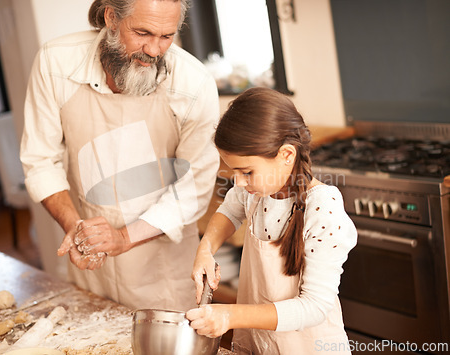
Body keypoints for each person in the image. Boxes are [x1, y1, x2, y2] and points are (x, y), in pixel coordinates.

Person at [20, 0, 220, 312]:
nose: (154, 50)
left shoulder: (194, 83)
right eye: (143, 33)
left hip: (163, 270)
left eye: (166, 36)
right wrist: (76, 228)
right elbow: (40, 159)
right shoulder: (56, 62)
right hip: (90, 260)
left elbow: (194, 186)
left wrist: (124, 238)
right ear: (111, 17)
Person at [186, 87, 357, 354]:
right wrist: (205, 248)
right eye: (235, 172)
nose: (238, 182)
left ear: (286, 155)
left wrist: (231, 316)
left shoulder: (323, 208)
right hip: (261, 345)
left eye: (247, 171)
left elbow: (314, 307)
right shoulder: (255, 191)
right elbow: (229, 211)